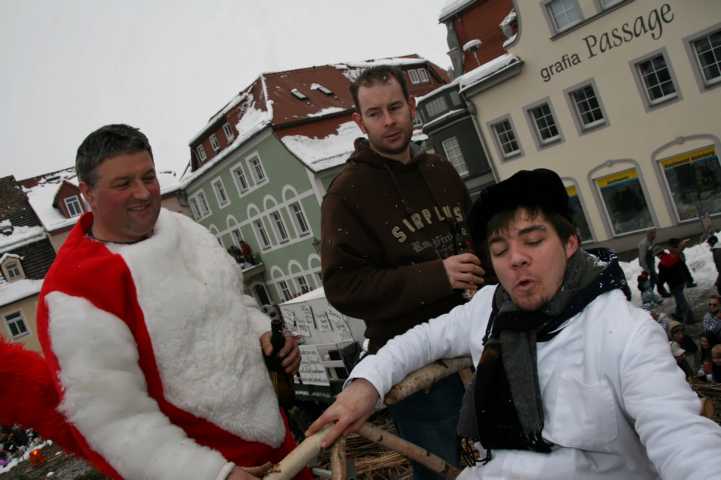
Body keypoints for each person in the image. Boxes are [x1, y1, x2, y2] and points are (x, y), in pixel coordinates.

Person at [309, 168, 721, 479]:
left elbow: (682, 437)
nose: (516, 259)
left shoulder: (622, 331)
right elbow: (419, 340)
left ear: (570, 243)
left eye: (533, 240)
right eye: (500, 249)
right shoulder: (489, 307)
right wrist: (366, 385)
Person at [31, 124, 307, 480]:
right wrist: (213, 474)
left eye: (149, 176)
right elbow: (116, 426)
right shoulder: (75, 290)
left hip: (282, 450)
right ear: (88, 193)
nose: (144, 193)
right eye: (123, 183)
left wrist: (264, 337)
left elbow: (233, 303)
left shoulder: (184, 229)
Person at [320, 65, 483, 479]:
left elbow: (477, 245)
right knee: (445, 471)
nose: (389, 121)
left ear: (412, 106)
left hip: (476, 345)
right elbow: (344, 288)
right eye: (375, 113)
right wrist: (437, 276)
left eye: (395, 107)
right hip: (417, 375)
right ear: (359, 121)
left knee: (501, 463)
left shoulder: (441, 172)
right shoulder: (347, 193)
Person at [657, 245, 694, 324]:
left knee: (681, 301)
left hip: (673, 285)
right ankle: (679, 314)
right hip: (681, 281)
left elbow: (661, 277)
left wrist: (659, 286)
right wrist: (689, 278)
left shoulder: (662, 264)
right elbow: (684, 267)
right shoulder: (675, 257)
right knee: (679, 298)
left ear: (659, 255)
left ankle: (689, 317)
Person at [638, 229, 669, 297]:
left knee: (654, 278)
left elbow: (654, 251)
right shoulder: (644, 244)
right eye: (653, 234)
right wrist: (646, 269)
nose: (654, 235)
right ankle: (655, 293)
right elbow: (642, 257)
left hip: (651, 262)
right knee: (654, 278)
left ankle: (652, 293)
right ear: (648, 235)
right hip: (646, 263)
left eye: (655, 233)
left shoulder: (651, 241)